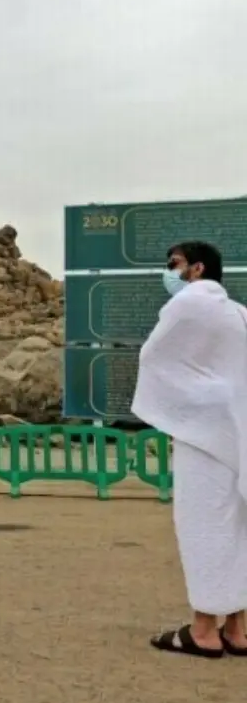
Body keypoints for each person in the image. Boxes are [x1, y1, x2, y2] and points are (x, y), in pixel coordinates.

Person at [133, 240, 247, 659]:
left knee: (203, 524)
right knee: (237, 527)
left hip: (204, 432)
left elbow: (153, 356)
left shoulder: (191, 302)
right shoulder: (239, 313)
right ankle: (237, 628)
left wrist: (184, 401)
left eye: (174, 264)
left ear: (197, 269)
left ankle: (202, 630)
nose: (169, 271)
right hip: (239, 431)